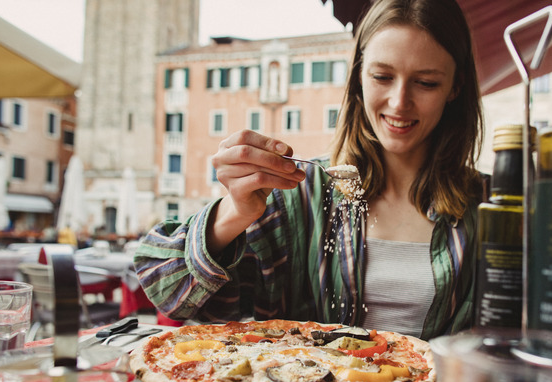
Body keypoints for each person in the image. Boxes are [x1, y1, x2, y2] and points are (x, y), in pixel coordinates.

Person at [134, 0, 485, 340]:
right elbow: (166, 291)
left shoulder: (491, 207)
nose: (399, 102)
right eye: (382, 76)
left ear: (456, 86)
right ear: (358, 76)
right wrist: (232, 212)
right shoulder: (300, 192)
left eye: (426, 83)